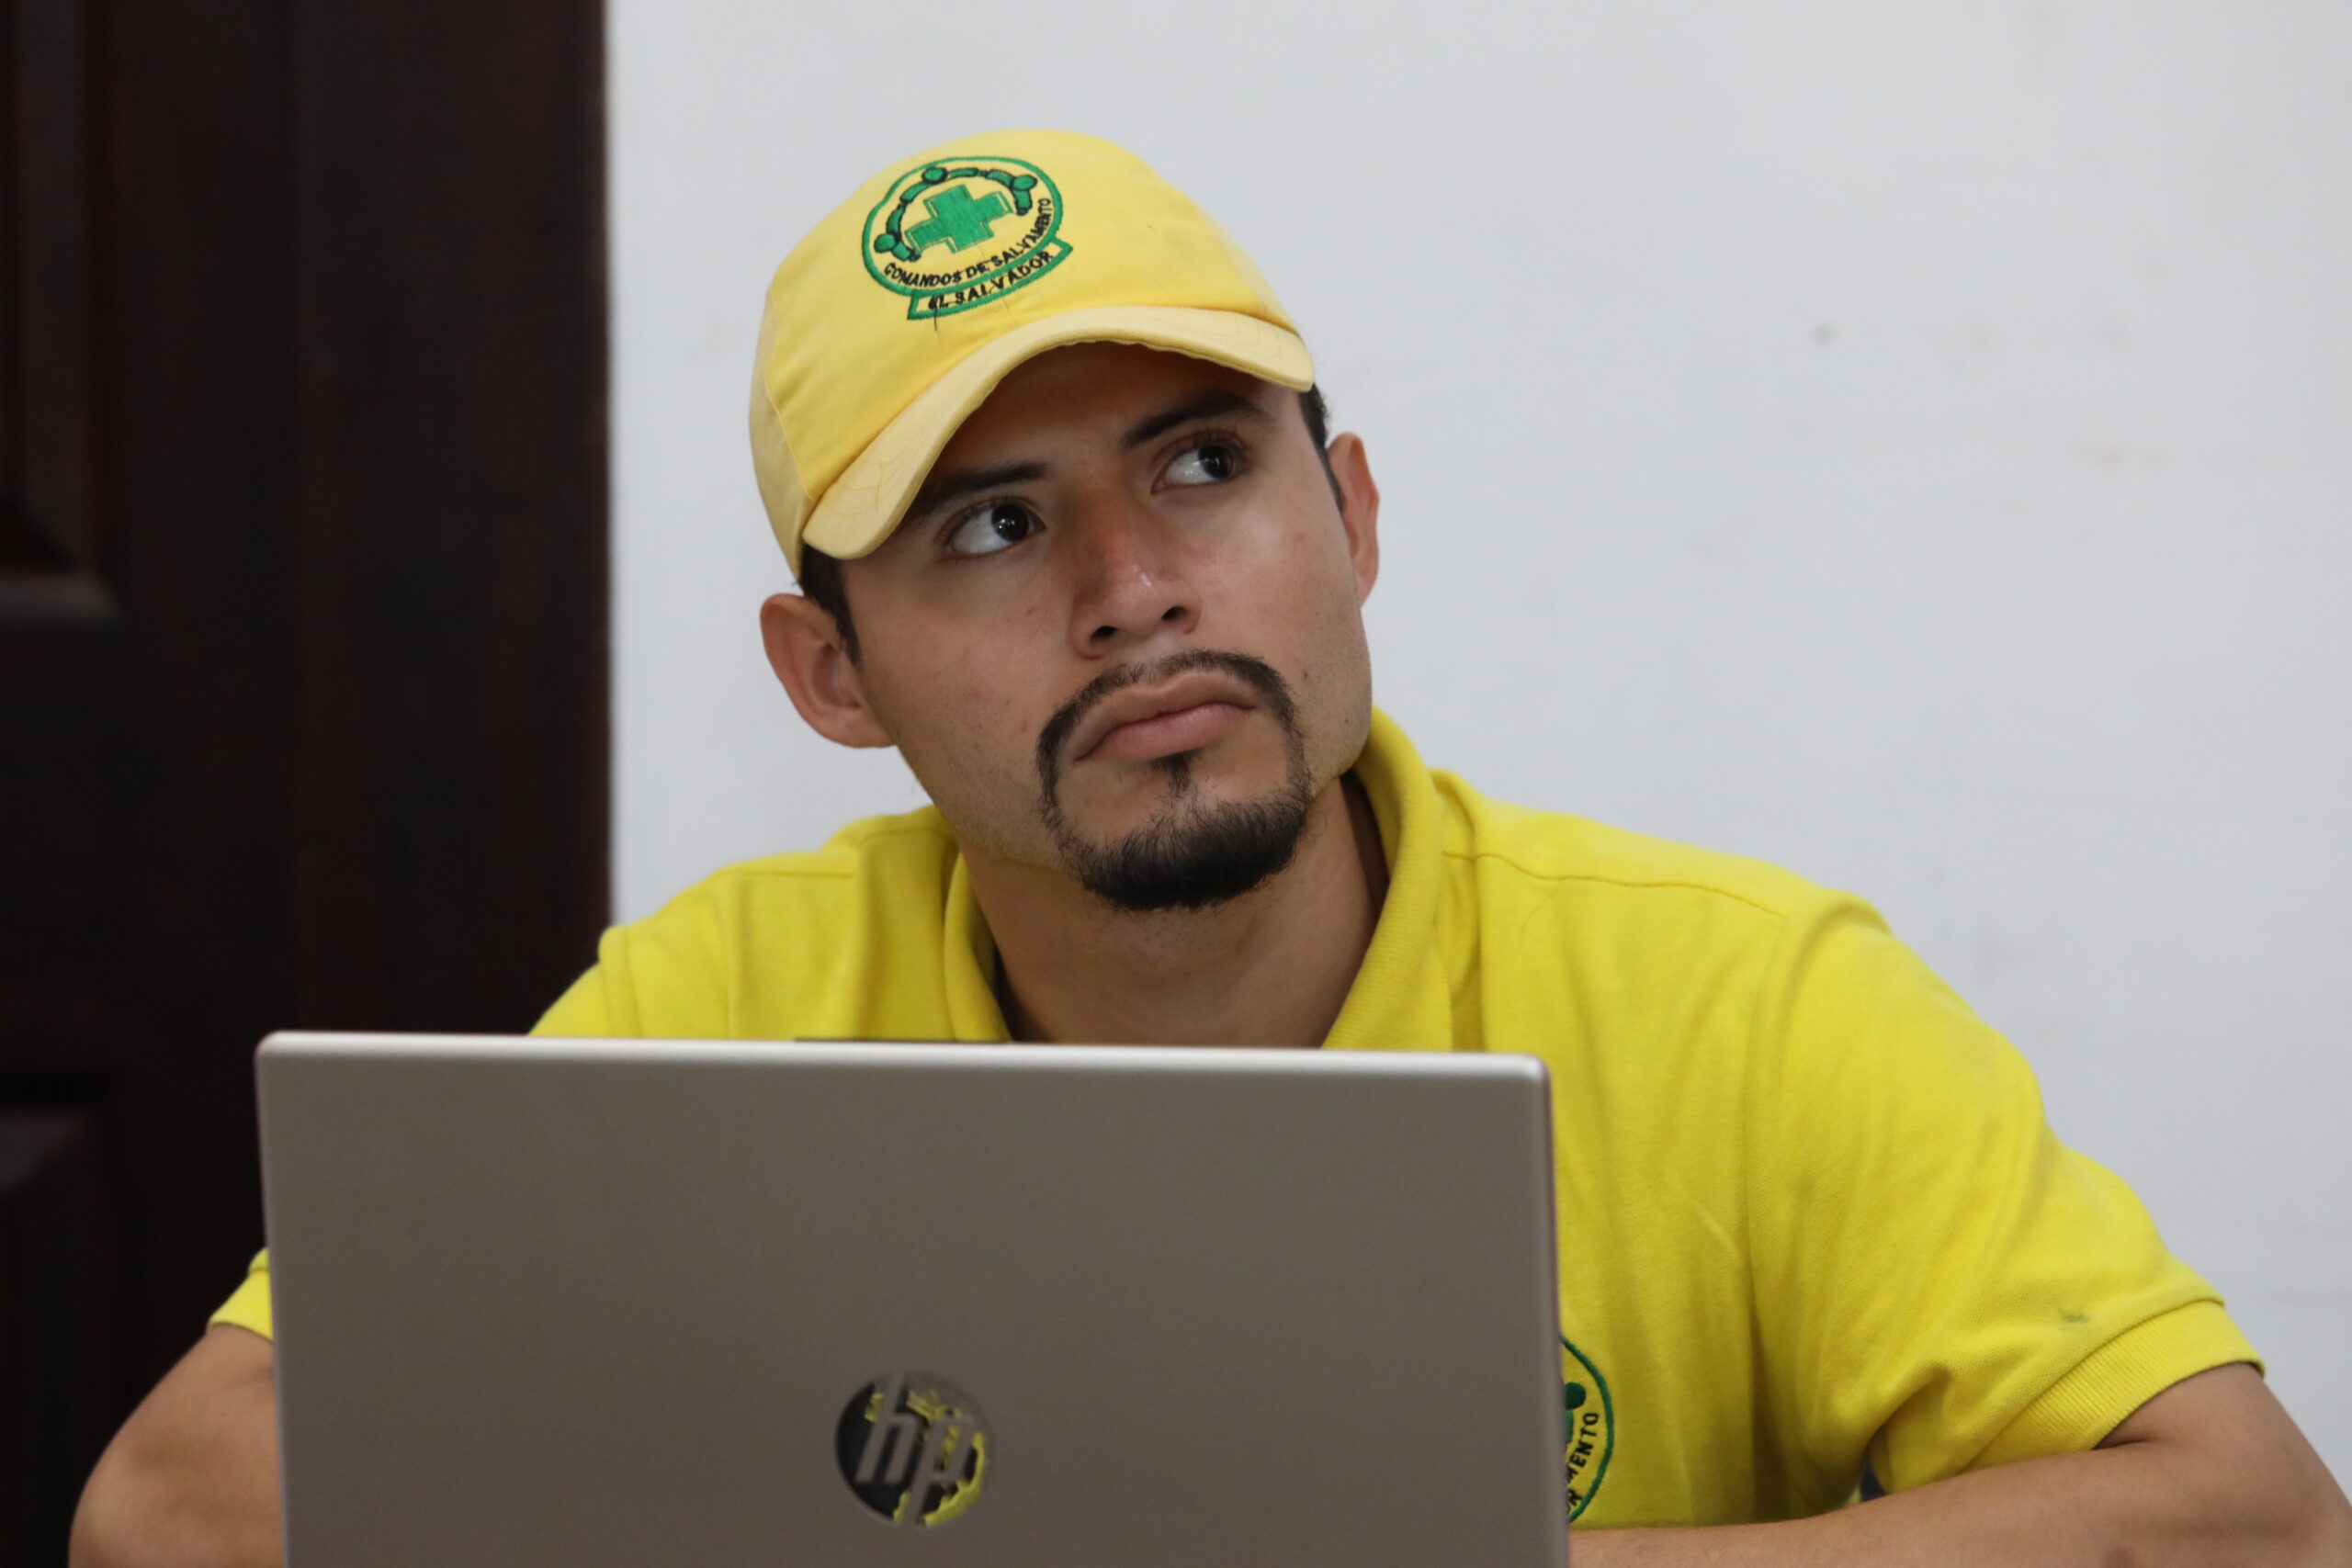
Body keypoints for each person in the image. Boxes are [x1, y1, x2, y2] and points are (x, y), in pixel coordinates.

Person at [73, 128, 2351, 1567]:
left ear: (1345, 516)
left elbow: (2252, 1525)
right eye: (991, 525)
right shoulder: (722, 995)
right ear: (830, 675)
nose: (1134, 590)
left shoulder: (1744, 998)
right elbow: (169, 1502)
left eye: (1198, 465)